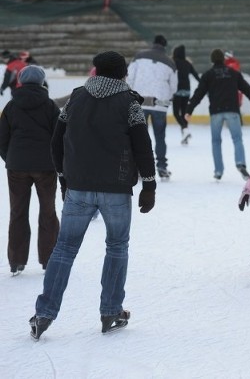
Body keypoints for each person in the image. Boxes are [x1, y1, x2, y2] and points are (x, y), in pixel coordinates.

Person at [29, 51, 157, 340]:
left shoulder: (76, 98)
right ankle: (110, 311)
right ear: (124, 74)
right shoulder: (130, 103)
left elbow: (56, 143)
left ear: (96, 71)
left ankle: (44, 314)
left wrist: (64, 177)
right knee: (117, 246)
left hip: (79, 187)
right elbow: (142, 145)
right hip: (116, 188)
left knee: (64, 249)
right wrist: (149, 185)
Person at [0, 65, 60, 275]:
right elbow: (58, 137)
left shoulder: (11, 106)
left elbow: (2, 139)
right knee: (48, 212)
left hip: (17, 166)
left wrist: (11, 159)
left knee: (17, 212)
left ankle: (16, 261)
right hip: (45, 167)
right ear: (42, 81)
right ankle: (49, 258)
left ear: (21, 81)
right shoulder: (51, 106)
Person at [185, 48, 250, 181]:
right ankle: (240, 163)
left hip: (216, 112)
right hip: (232, 110)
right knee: (237, 139)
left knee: (216, 141)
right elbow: (247, 89)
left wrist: (189, 110)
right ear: (223, 59)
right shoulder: (233, 73)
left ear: (212, 60)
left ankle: (218, 171)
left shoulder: (208, 75)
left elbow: (199, 93)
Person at [127, 34, 178, 179]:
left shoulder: (139, 57)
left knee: (139, 136)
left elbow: (129, 76)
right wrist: (168, 98)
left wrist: (131, 94)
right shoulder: (170, 63)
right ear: (165, 46)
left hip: (140, 101)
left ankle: (137, 167)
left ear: (153, 43)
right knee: (160, 136)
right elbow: (174, 87)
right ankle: (161, 167)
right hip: (160, 104)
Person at [172, 45, 200, 145]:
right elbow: (196, 76)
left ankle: (185, 129)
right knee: (184, 114)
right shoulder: (188, 63)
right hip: (187, 91)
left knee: (176, 113)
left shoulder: (173, 62)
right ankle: (185, 137)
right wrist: (204, 85)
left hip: (177, 90)